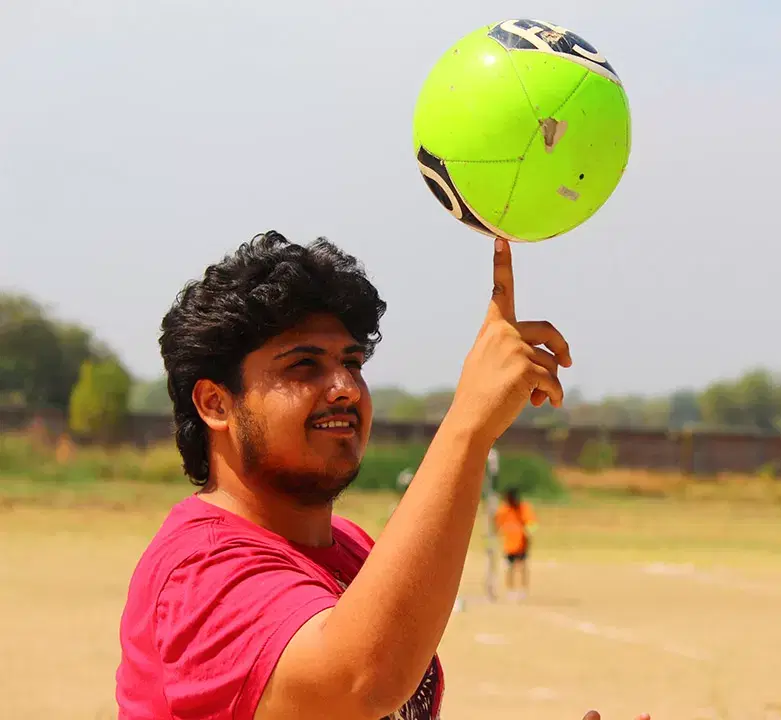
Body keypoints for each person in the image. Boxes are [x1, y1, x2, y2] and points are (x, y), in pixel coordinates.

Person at [114, 231, 649, 720]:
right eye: (304, 365)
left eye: (353, 362)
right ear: (215, 403)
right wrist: (468, 424)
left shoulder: (350, 546)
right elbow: (358, 684)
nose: (345, 385)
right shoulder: (200, 571)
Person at [494, 486, 537, 601]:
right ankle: (510, 590)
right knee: (509, 568)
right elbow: (497, 524)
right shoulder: (503, 510)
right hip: (509, 545)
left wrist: (529, 532)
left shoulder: (523, 508)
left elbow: (531, 523)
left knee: (522, 566)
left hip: (521, 543)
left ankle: (523, 590)